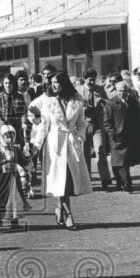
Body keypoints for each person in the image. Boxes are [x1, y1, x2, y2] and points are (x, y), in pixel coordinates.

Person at [30, 71, 93, 230]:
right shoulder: (48, 101)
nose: (53, 85)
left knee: (67, 180)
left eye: (56, 82)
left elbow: (81, 123)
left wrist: (80, 137)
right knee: (60, 181)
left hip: (71, 143)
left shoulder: (77, 100)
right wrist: (36, 145)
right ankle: (69, 215)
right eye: (52, 82)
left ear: (64, 83)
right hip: (55, 144)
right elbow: (43, 125)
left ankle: (59, 208)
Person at [102, 78, 140, 191]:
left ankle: (125, 181)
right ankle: (123, 181)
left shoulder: (133, 102)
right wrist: (112, 134)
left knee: (125, 160)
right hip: (116, 135)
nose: (122, 93)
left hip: (129, 135)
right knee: (118, 160)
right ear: (116, 91)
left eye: (124, 90)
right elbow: (107, 122)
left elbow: (137, 118)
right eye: (120, 91)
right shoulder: (110, 103)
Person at [78, 67, 113, 189]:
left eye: (93, 80)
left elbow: (107, 104)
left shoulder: (100, 89)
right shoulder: (78, 91)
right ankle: (87, 179)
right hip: (84, 125)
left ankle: (105, 178)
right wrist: (83, 109)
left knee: (100, 150)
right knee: (84, 153)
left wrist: (102, 103)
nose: (92, 82)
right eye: (89, 80)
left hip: (97, 124)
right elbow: (74, 108)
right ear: (84, 79)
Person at [0, 124, 30, 227]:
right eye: (7, 137)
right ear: (2, 137)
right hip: (2, 179)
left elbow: (23, 160)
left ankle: (14, 218)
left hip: (13, 178)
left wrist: (26, 155)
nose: (10, 140)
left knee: (13, 198)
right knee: (1, 198)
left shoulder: (15, 150)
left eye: (12, 137)